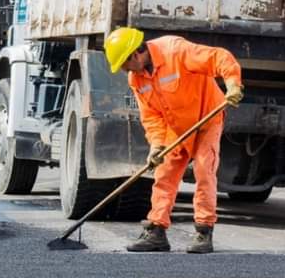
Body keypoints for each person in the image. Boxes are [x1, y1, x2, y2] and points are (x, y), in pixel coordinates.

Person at [104, 27, 243, 254]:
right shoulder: (136, 79)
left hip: (206, 119)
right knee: (164, 174)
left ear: (136, 55)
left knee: (203, 170)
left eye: (123, 64)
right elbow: (151, 116)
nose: (123, 70)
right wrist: (157, 145)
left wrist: (233, 84)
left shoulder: (175, 51)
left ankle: (203, 232)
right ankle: (156, 232)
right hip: (175, 127)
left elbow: (219, 57)